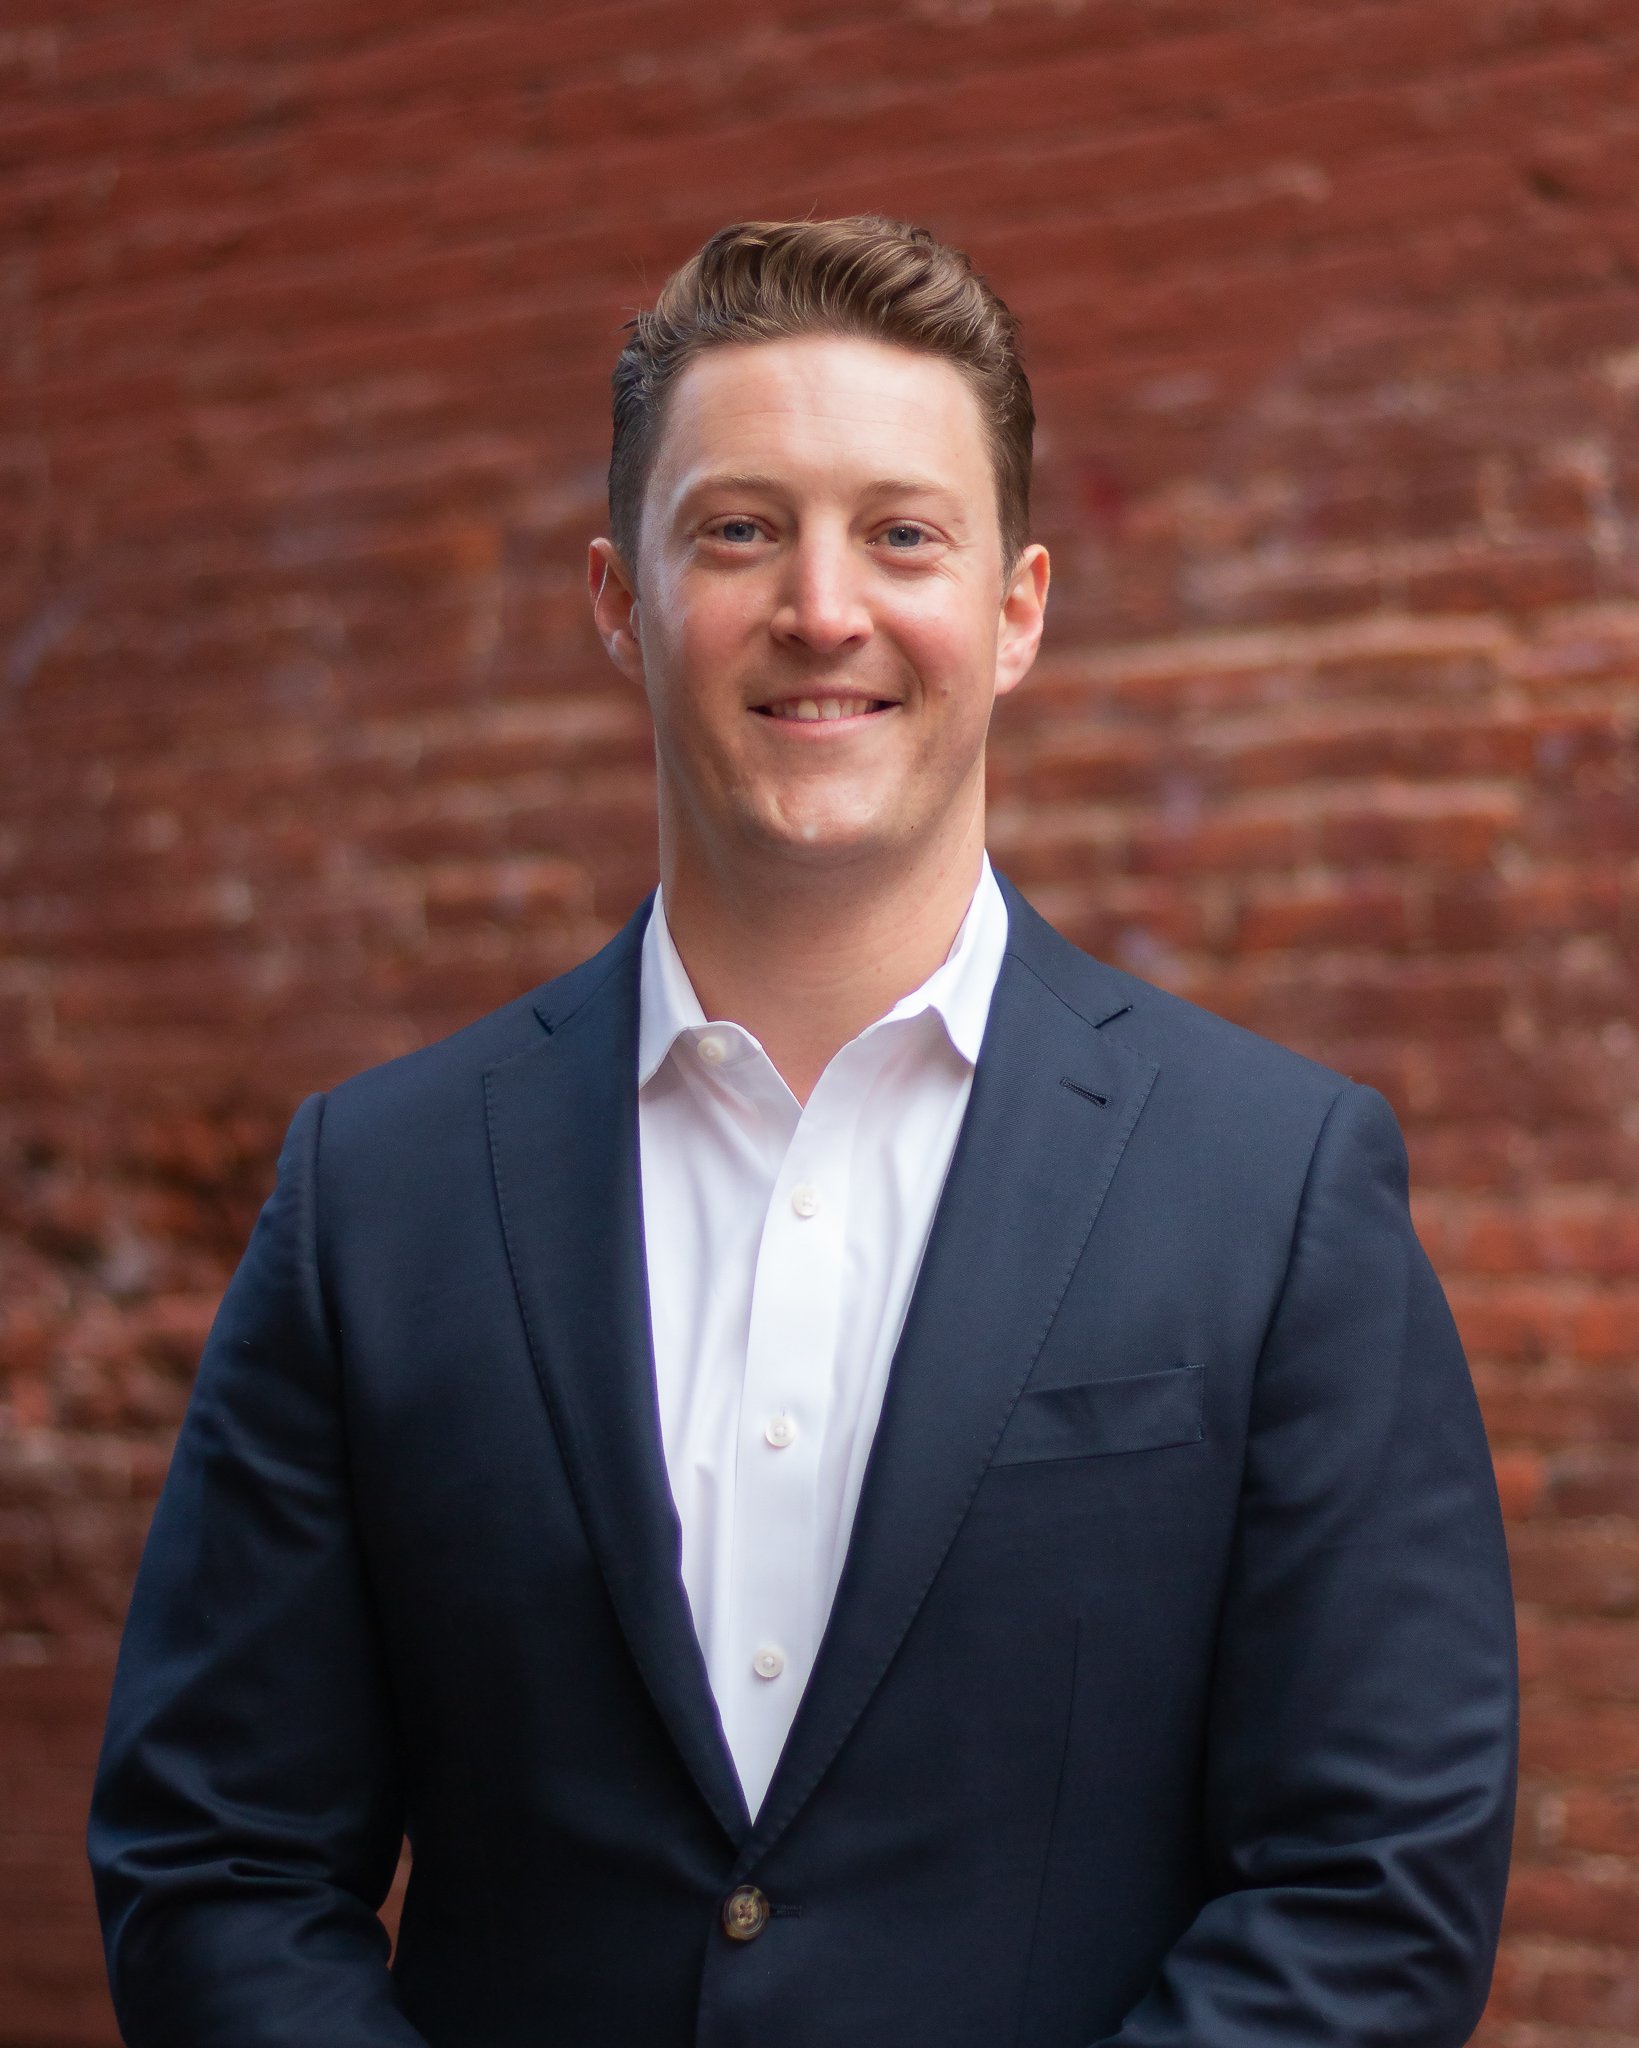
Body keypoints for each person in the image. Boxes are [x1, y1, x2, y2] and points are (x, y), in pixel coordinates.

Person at [88, 216, 1518, 2048]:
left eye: (903, 534)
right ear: (619, 600)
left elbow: (1375, 1891)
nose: (825, 609)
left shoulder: (1276, 1185)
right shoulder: (376, 1193)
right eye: (739, 530)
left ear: (1017, 609)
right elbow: (215, 1863)